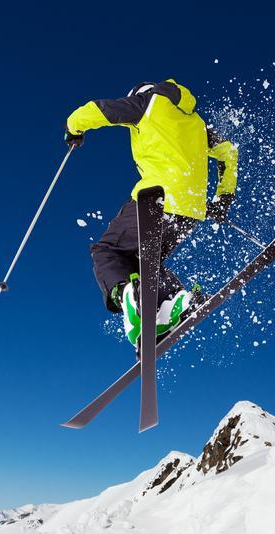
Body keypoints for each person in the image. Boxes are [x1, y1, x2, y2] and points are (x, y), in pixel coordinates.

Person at [64, 80, 238, 349]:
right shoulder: (196, 124)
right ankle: (173, 303)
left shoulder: (147, 103)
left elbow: (98, 111)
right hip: (189, 211)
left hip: (156, 200)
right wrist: (223, 198)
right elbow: (228, 153)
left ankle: (127, 296)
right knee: (145, 262)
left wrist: (73, 127)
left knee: (107, 251)